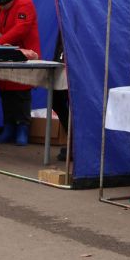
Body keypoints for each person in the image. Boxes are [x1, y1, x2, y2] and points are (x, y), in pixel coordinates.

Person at [0, 0, 41, 146]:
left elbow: (21, 29)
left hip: (24, 53)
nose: (1, 8)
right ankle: (8, 126)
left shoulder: (25, 3)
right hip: (4, 52)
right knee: (5, 90)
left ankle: (23, 127)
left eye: (5, 6)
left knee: (21, 91)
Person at [52, 31, 71, 162]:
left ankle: (75, 143)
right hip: (62, 61)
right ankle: (73, 139)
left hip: (76, 62)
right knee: (56, 99)